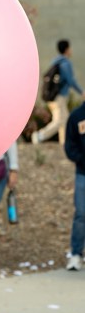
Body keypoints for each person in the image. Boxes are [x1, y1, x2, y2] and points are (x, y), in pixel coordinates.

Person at [32, 40, 85, 145]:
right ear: (67, 49)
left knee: (64, 120)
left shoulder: (56, 62)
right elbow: (71, 80)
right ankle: (39, 136)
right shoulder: (65, 63)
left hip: (55, 97)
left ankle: (64, 143)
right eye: (70, 48)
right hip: (59, 97)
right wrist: (81, 91)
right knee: (58, 121)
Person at [64, 99, 85, 271]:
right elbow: (70, 146)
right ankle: (76, 254)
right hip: (82, 174)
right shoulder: (76, 116)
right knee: (81, 215)